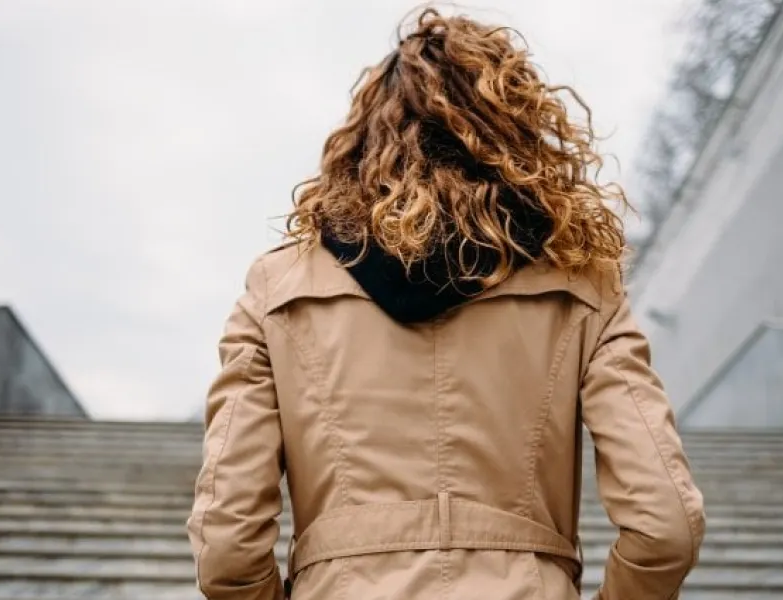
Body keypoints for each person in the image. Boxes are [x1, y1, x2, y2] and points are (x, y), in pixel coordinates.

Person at [186, 7, 705, 599]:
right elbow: (665, 527)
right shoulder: (585, 288)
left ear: (362, 142)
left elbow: (227, 547)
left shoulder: (277, 289)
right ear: (518, 131)